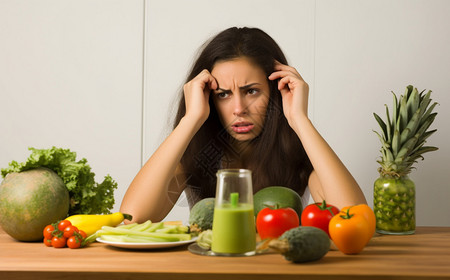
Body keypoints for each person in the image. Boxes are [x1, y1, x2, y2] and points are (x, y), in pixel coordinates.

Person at [120, 27, 366, 223]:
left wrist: (299, 119)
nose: (239, 109)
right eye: (223, 94)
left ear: (275, 91)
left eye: (251, 91)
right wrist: (190, 119)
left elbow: (355, 216)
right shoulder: (198, 155)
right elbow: (134, 217)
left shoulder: (297, 154)